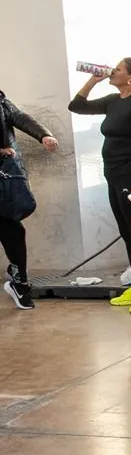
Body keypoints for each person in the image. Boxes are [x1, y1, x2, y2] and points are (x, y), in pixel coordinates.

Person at [69, 58, 131, 314]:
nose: (112, 71)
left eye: (118, 69)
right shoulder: (114, 101)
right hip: (113, 176)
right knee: (127, 232)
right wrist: (93, 79)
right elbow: (76, 106)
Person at [0, 90, 58, 310]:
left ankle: (20, 282)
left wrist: (43, 134)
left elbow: (19, 116)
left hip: (5, 179)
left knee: (13, 230)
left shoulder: (0, 99)